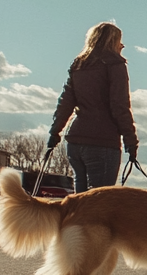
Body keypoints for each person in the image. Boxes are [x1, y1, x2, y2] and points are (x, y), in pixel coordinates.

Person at [48, 22, 140, 193]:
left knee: (80, 202)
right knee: (99, 203)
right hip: (102, 141)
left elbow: (65, 102)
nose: (123, 45)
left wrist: (55, 132)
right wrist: (131, 141)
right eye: (120, 41)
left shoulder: (79, 65)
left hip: (75, 140)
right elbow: (120, 106)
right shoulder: (115, 65)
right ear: (113, 41)